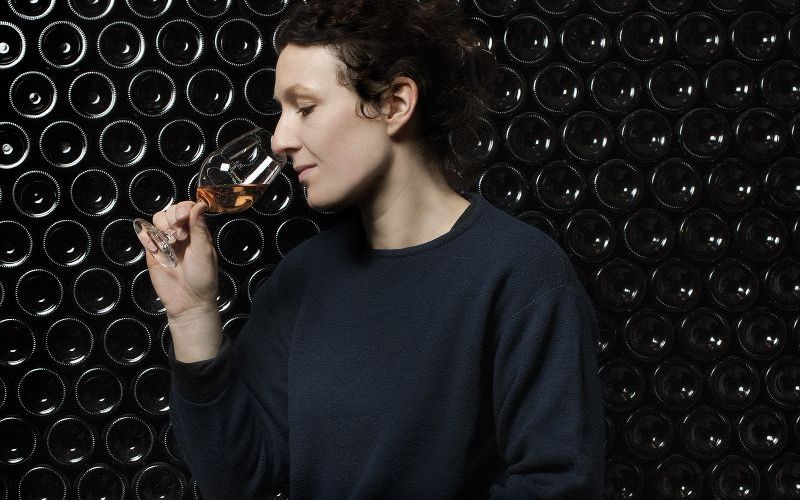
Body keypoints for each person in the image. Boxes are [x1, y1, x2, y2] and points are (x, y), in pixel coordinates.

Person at [138, 0, 606, 498]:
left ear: (395, 104)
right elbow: (237, 481)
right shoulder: (302, 277)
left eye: (305, 108)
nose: (278, 140)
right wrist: (192, 315)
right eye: (281, 112)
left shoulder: (521, 274)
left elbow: (558, 485)